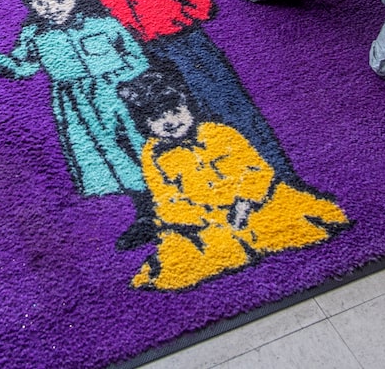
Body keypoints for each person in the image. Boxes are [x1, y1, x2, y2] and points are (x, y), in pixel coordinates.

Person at [80, 0, 295, 181]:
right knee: (167, 119)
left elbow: (202, 10)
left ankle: (274, 172)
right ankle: (194, 182)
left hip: (188, 45)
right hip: (140, 56)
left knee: (222, 101)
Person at [0, 0, 157, 246]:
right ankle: (146, 213)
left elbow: (135, 55)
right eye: (41, 3)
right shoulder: (34, 35)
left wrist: (132, 84)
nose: (51, 8)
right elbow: (23, 68)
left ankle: (174, 196)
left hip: (120, 92)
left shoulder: (103, 23)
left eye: (59, 0)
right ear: (31, 5)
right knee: (108, 154)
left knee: (140, 143)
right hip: (78, 104)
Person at [117, 70, 350, 291]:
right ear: (144, 124)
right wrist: (206, 217)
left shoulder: (220, 132)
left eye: (175, 111)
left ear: (187, 106)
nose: (169, 121)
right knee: (191, 255)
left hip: (250, 203)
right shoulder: (152, 154)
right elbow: (166, 199)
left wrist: (243, 203)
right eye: (157, 117)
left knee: (292, 220)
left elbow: (257, 170)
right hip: (203, 219)